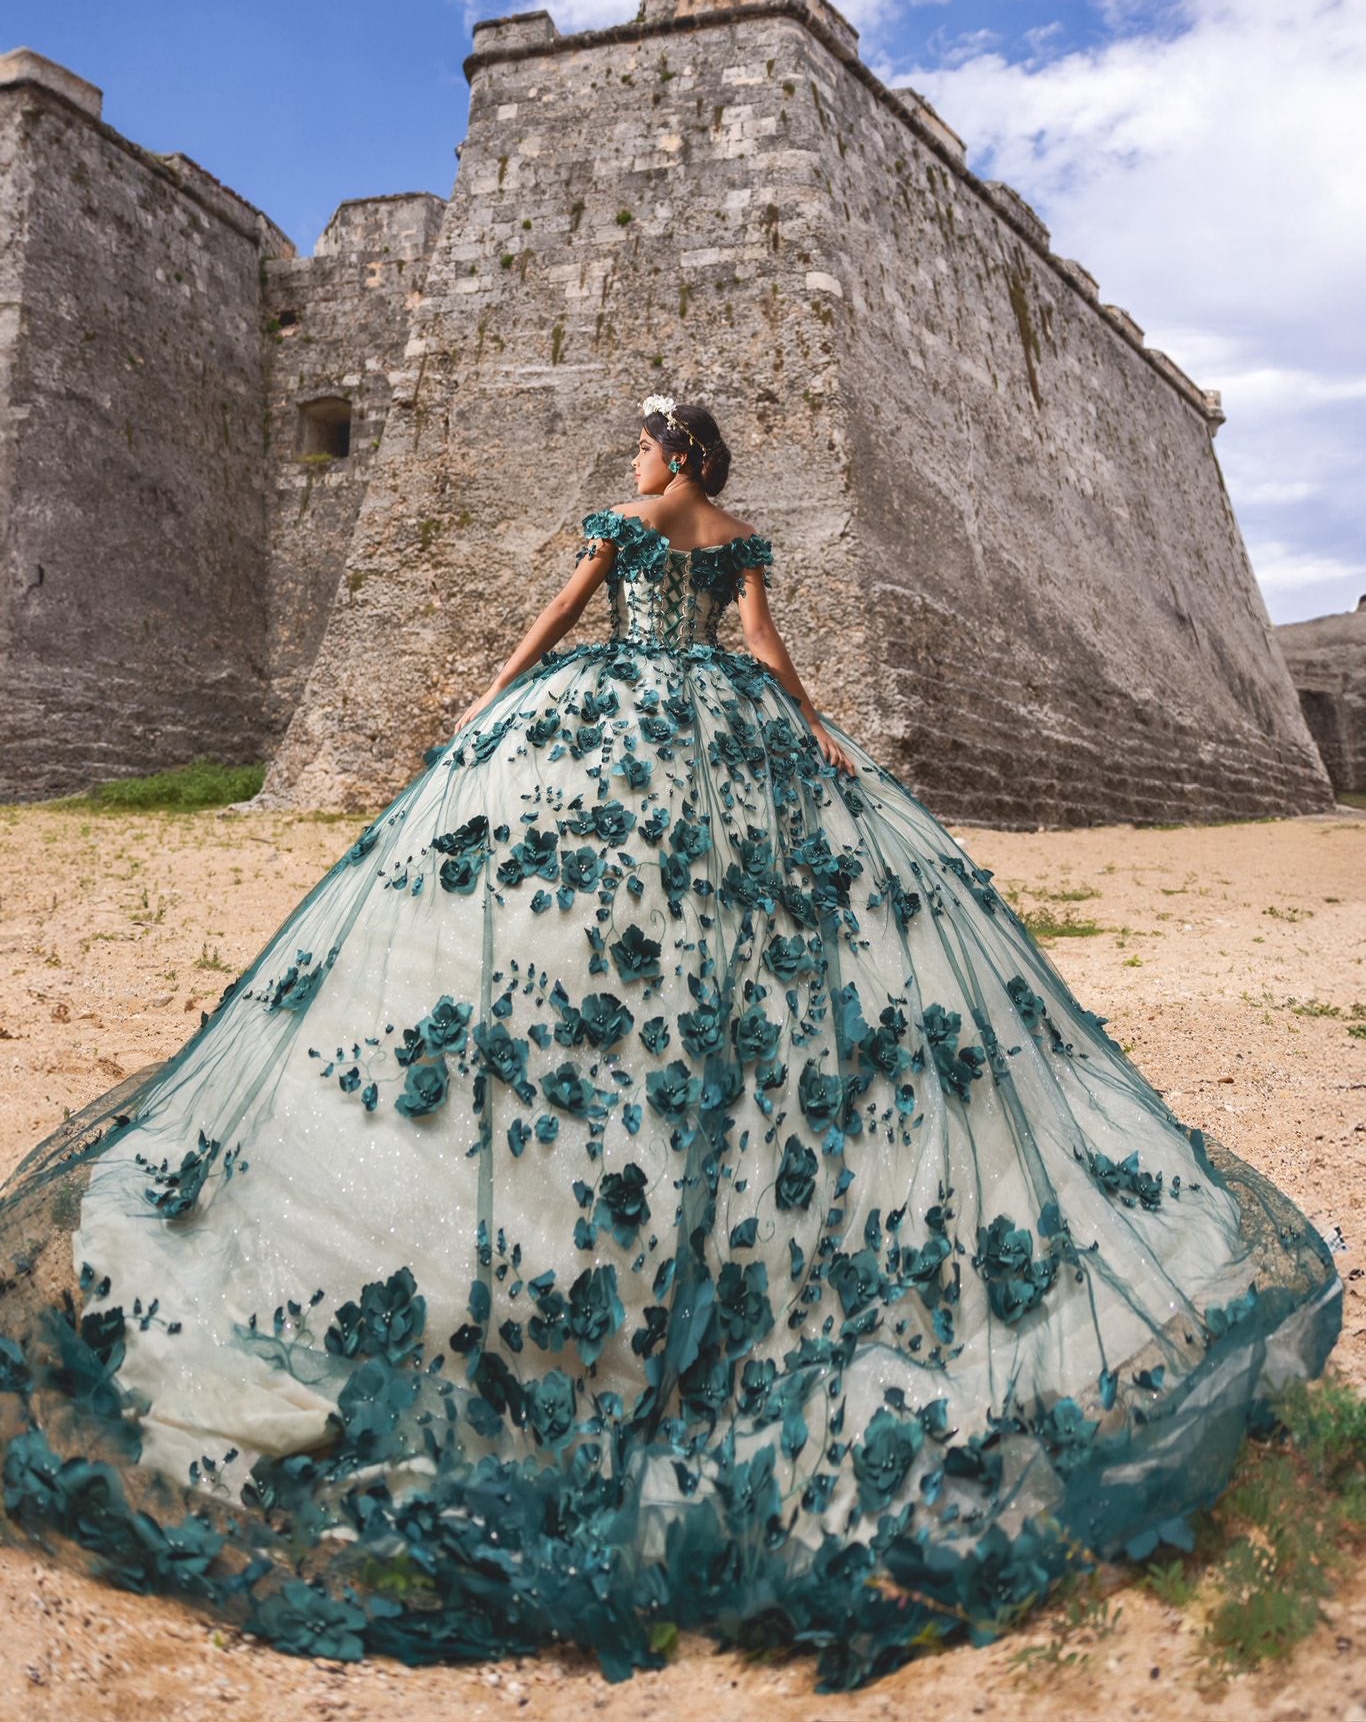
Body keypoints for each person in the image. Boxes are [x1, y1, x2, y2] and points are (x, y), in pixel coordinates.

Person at [0, 394, 1342, 1690]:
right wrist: (811, 729)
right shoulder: (733, 541)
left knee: (579, 924)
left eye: (647, 445)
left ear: (678, 453)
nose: (635, 463)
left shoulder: (629, 531)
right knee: (750, 945)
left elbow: (556, 619)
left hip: (609, 727)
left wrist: (489, 700)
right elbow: (763, 649)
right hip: (734, 737)